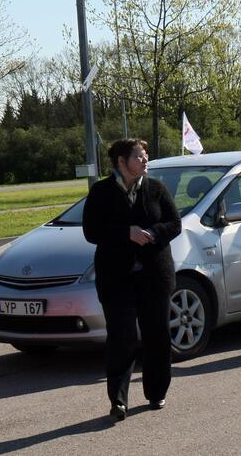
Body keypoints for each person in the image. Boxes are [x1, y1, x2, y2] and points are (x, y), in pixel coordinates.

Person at [82, 138, 181, 421]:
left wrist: (153, 234)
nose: (145, 159)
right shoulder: (101, 192)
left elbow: (175, 223)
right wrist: (127, 233)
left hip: (154, 277)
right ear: (122, 162)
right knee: (121, 337)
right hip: (117, 279)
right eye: (140, 156)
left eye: (146, 154)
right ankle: (119, 400)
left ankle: (156, 391)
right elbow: (92, 231)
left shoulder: (156, 188)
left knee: (156, 335)